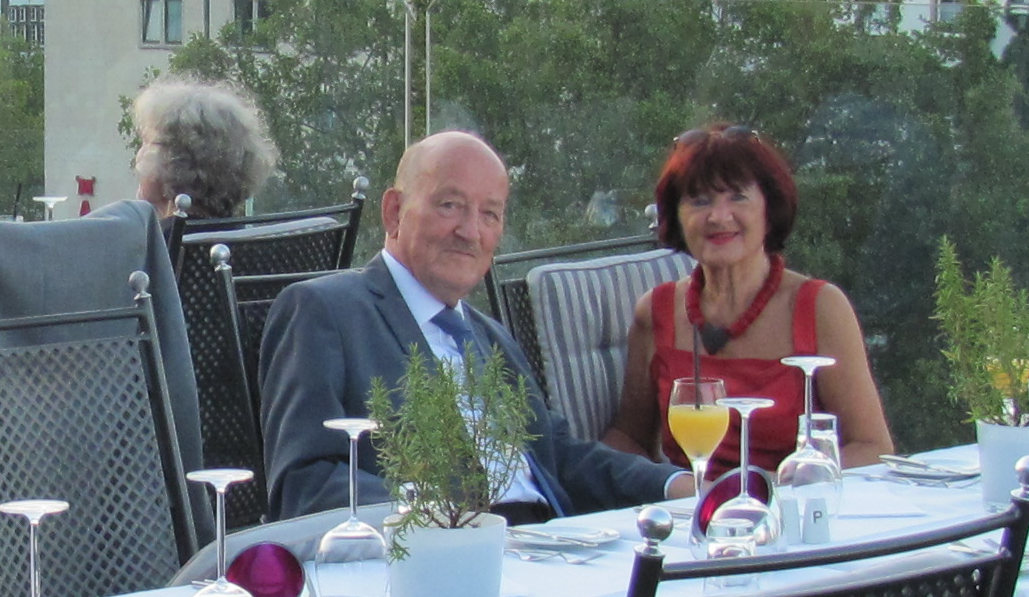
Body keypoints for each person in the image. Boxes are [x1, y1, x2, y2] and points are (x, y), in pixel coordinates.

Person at [252, 130, 688, 523]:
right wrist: (438, 516)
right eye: (450, 205)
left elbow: (560, 459)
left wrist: (675, 488)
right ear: (394, 212)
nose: (470, 231)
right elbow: (301, 487)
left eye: (490, 214)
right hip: (437, 561)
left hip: (550, 550)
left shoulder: (489, 336)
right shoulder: (326, 311)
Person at [602, 125, 896, 475]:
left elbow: (871, 447)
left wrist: (775, 487)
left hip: (796, 511)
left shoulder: (819, 307)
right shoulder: (656, 311)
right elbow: (629, 437)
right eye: (700, 200)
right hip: (692, 514)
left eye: (737, 197)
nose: (718, 216)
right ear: (676, 216)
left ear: (769, 209)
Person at [130, 74, 277, 219]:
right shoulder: (246, 237)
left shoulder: (151, 241)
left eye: (146, 141)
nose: (140, 154)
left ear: (171, 163)